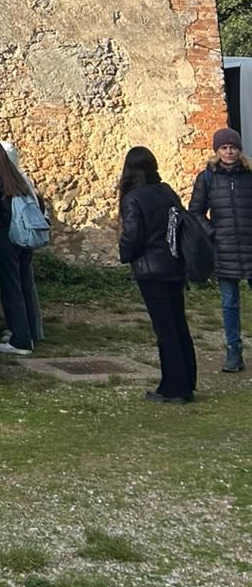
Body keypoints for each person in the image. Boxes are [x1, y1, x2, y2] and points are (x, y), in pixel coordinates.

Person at [118, 146, 196, 403]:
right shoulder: (167, 192)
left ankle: (174, 387)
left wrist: (125, 253)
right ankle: (186, 380)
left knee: (165, 329)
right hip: (174, 265)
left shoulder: (133, 198)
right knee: (178, 324)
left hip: (150, 269)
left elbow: (132, 235)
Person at [189, 128, 252, 372]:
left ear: (239, 150)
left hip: (249, 245)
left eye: (233, 147)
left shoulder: (249, 175)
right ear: (217, 151)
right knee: (229, 304)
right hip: (224, 250)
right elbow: (195, 211)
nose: (229, 151)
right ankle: (233, 353)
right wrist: (212, 231)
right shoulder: (207, 178)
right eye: (224, 148)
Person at [0, 139, 43, 357]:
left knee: (11, 287)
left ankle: (20, 339)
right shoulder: (16, 177)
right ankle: (31, 332)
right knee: (25, 284)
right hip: (24, 236)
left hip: (6, 236)